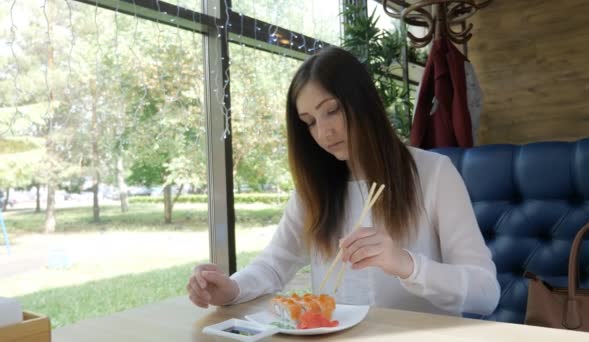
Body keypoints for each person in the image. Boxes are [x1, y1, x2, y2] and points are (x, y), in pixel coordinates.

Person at [187, 46, 500, 316]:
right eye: (309, 122)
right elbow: (274, 264)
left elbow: (486, 293)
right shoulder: (315, 188)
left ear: (363, 102)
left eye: (332, 111)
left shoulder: (434, 173)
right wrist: (231, 289)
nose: (323, 133)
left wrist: (404, 263)